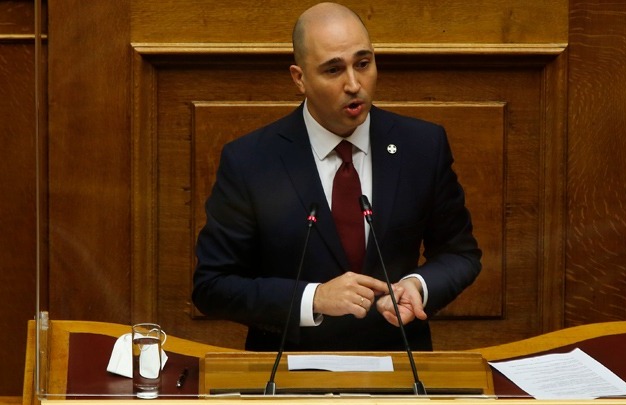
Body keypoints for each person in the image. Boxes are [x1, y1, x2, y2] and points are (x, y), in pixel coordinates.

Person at [192, 2, 481, 352]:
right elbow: (213, 286)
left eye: (363, 64)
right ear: (300, 78)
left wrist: (418, 285)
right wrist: (313, 298)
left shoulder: (422, 146)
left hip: (398, 359)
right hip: (289, 364)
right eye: (333, 70)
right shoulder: (251, 160)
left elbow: (459, 254)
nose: (354, 84)